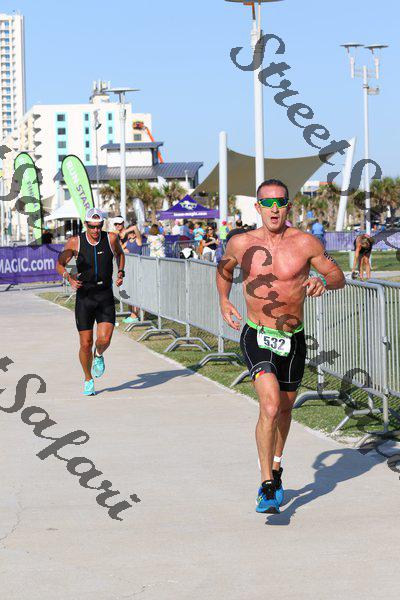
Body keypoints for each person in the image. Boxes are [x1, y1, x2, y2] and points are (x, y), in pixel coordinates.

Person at [216, 178, 345, 514]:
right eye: (267, 203)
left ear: (288, 206)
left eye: (280, 202)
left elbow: (338, 277)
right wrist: (224, 300)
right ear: (257, 207)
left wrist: (322, 280)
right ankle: (266, 485)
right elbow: (224, 269)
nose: (274, 209)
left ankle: (276, 466)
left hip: (293, 338)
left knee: (286, 409)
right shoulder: (241, 243)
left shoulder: (306, 243)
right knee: (271, 405)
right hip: (257, 334)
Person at [56, 208, 125, 396]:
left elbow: (120, 254)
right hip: (85, 297)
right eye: (92, 226)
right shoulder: (75, 241)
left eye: (99, 226)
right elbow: (60, 264)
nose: (96, 230)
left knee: (104, 339)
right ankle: (88, 379)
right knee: (85, 344)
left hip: (104, 295)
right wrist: (69, 278)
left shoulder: (110, 238)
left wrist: (120, 272)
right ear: (85, 224)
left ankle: (99, 354)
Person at [122, 229, 143, 324]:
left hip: (137, 269)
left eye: (132, 233)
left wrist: (127, 230)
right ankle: (132, 314)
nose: (131, 234)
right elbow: (118, 249)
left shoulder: (138, 241)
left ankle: (135, 316)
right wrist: (124, 250)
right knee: (130, 292)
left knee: (135, 292)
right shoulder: (127, 242)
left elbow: (135, 227)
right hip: (129, 269)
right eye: (129, 233)